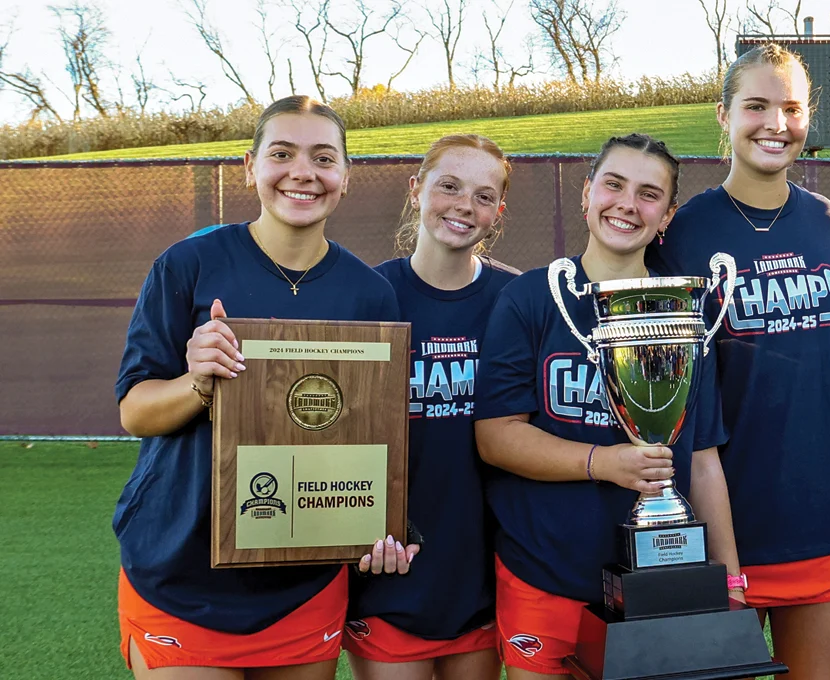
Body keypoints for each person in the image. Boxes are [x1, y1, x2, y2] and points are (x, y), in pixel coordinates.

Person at [114, 95, 406, 679]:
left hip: (302, 579)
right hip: (182, 570)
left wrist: (387, 524)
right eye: (282, 153)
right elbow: (135, 412)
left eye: (324, 158)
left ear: (345, 177)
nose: (303, 172)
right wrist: (198, 382)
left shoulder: (367, 293)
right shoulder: (187, 265)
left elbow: (376, 437)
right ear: (250, 167)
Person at [473, 133, 743, 680]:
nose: (626, 204)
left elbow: (704, 457)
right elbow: (497, 436)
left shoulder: (685, 311)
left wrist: (732, 583)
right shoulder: (531, 298)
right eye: (613, 184)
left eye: (648, 194)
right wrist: (602, 463)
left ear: (666, 215)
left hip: (661, 581)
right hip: (545, 573)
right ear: (587, 192)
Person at [646, 44, 830, 680]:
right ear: (724, 115)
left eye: (791, 108)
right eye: (757, 106)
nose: (776, 123)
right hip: (723, 520)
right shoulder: (684, 232)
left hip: (824, 510)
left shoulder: (823, 219)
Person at [343, 134, 521, 680]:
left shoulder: (517, 299)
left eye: (483, 195)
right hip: (391, 569)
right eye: (449, 186)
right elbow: (336, 439)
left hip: (485, 575)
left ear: (498, 212)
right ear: (416, 189)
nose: (464, 206)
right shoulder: (366, 297)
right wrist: (354, 529)